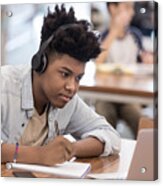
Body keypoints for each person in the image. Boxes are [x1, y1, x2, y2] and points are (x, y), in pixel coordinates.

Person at [1, 4, 121, 166]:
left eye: (78, 78)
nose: (72, 87)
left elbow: (110, 135)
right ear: (41, 62)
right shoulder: (5, 86)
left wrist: (71, 149)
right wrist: (39, 155)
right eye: (65, 74)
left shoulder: (68, 101)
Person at [95, 2, 153, 138]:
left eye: (132, 8)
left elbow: (142, 63)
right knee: (102, 121)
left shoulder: (135, 36)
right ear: (112, 9)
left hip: (129, 96)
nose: (132, 12)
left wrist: (147, 60)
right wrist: (114, 32)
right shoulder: (102, 37)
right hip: (105, 96)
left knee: (141, 120)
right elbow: (96, 63)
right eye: (127, 8)